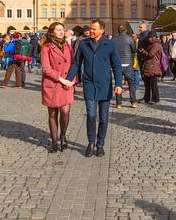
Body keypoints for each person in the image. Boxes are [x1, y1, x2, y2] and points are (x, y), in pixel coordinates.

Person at [64, 19, 123, 157]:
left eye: (94, 29)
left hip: (104, 84)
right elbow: (76, 64)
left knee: (103, 117)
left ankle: (100, 144)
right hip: (89, 84)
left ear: (102, 30)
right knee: (91, 115)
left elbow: (116, 66)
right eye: (90, 28)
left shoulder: (110, 44)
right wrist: (68, 80)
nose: (91, 31)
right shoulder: (84, 44)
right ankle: (91, 142)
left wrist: (118, 84)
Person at [41, 22, 74, 152]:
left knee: (65, 112)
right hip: (53, 84)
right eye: (58, 30)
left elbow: (73, 64)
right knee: (53, 113)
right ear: (51, 32)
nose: (61, 32)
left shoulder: (67, 47)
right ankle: (54, 142)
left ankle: (63, 135)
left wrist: (71, 80)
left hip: (67, 83)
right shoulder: (46, 48)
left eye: (62, 29)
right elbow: (46, 69)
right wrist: (61, 79)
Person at [112, 24, 139, 108]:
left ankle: (118, 103)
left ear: (118, 30)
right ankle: (133, 102)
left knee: (118, 84)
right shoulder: (129, 39)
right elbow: (134, 50)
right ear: (126, 31)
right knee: (131, 84)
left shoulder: (114, 39)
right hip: (128, 64)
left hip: (117, 64)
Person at [138, 34, 164, 104]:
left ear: (153, 37)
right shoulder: (151, 44)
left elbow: (150, 55)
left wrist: (143, 51)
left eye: (149, 38)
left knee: (153, 84)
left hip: (153, 66)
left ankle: (155, 99)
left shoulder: (156, 45)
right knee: (147, 84)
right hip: (148, 66)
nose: (148, 39)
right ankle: (146, 98)